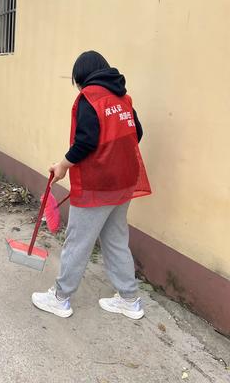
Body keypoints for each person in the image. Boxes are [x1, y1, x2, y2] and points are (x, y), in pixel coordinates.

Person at [32, 51, 151, 320]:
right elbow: (137, 133)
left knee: (78, 241)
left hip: (99, 184)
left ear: (82, 76)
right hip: (124, 182)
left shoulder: (90, 98)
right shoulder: (123, 98)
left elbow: (85, 141)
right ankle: (129, 300)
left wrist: (62, 164)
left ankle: (60, 298)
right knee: (116, 239)